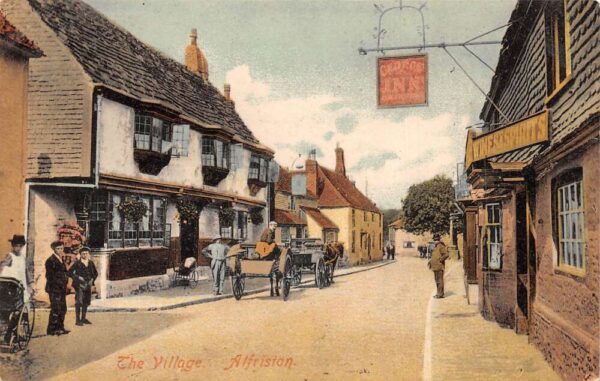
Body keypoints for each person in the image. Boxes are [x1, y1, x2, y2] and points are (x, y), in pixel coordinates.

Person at [0, 235, 32, 343]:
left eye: (20, 246)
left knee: (21, 311)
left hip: (21, 286)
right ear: (12, 246)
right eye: (16, 246)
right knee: (13, 311)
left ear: (22, 246)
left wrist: (31, 284)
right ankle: (8, 334)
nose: (18, 248)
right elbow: (3, 266)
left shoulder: (23, 257)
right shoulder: (10, 256)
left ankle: (15, 333)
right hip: (10, 286)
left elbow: (26, 272)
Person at [69, 247, 97, 326]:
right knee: (79, 302)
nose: (85, 255)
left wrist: (92, 280)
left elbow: (95, 273)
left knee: (86, 301)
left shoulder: (91, 263)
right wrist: (78, 277)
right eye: (83, 254)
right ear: (80, 255)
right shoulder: (77, 263)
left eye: (86, 253)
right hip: (79, 285)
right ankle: (78, 320)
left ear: (88, 254)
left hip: (88, 285)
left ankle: (83, 318)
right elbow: (70, 272)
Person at [45, 241, 70, 335]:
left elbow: (64, 273)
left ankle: (60, 328)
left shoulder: (61, 259)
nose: (60, 250)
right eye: (58, 249)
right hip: (54, 288)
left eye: (61, 248)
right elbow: (50, 276)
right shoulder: (50, 260)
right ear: (53, 249)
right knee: (56, 308)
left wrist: (65, 281)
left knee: (63, 308)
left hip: (61, 288)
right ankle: (51, 329)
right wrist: (59, 283)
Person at [428, 233, 449, 299]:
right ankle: (438, 293)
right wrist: (430, 262)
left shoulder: (441, 246)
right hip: (435, 266)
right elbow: (434, 255)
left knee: (440, 280)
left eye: (436, 239)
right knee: (437, 280)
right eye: (435, 240)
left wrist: (440, 260)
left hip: (439, 266)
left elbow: (446, 254)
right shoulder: (435, 246)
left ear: (439, 239)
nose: (435, 241)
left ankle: (440, 294)